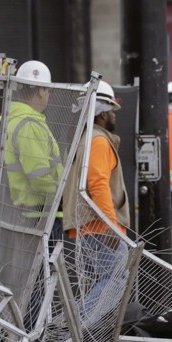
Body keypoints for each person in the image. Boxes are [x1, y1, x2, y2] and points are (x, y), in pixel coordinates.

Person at [3, 60, 64, 329]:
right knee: (38, 285)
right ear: (40, 92)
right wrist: (62, 192)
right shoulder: (29, 124)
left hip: (26, 214)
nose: (49, 96)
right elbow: (40, 178)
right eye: (47, 90)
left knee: (30, 282)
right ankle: (31, 338)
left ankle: (28, 334)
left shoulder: (12, 119)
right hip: (40, 216)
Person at [62, 80, 128, 318]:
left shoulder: (86, 140)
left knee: (111, 279)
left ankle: (78, 331)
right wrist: (111, 226)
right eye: (110, 110)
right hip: (101, 226)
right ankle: (77, 330)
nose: (114, 115)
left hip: (93, 225)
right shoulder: (99, 141)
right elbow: (98, 184)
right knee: (115, 279)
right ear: (101, 115)